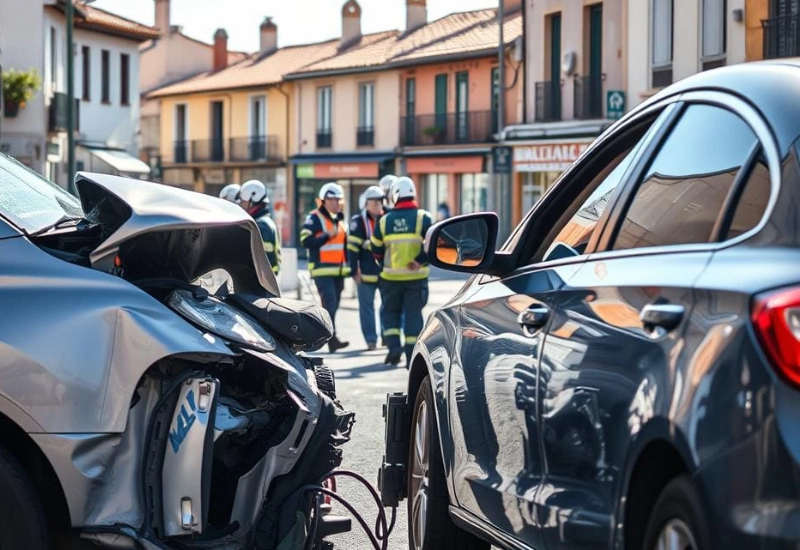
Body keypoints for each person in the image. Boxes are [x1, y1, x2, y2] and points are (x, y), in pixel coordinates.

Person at [371, 176, 433, 366]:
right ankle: (411, 357)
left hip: (390, 279)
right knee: (413, 316)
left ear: (395, 195)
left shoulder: (384, 221)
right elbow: (435, 244)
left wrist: (383, 262)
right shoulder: (423, 218)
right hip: (416, 279)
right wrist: (419, 261)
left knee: (390, 315)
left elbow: (376, 248)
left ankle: (394, 351)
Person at [300, 182, 351, 352]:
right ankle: (323, 338)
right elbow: (305, 241)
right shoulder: (314, 218)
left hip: (339, 271)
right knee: (330, 304)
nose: (337, 203)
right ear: (323, 201)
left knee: (333, 306)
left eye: (339, 200)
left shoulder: (340, 219)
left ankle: (330, 338)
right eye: (333, 200)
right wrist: (325, 236)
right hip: (322, 270)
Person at [347, 185, 385, 351]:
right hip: (365, 273)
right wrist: (353, 270)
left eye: (379, 201)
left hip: (386, 273)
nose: (376, 204)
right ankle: (371, 340)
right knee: (367, 308)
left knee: (387, 307)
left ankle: (387, 337)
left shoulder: (388, 218)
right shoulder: (358, 222)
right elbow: (352, 249)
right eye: (372, 201)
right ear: (366, 203)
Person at [239, 179, 281, 275]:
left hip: (262, 278)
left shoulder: (261, 225)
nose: (241, 204)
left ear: (252, 200)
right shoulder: (262, 221)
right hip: (265, 277)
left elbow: (262, 257)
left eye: (243, 201)